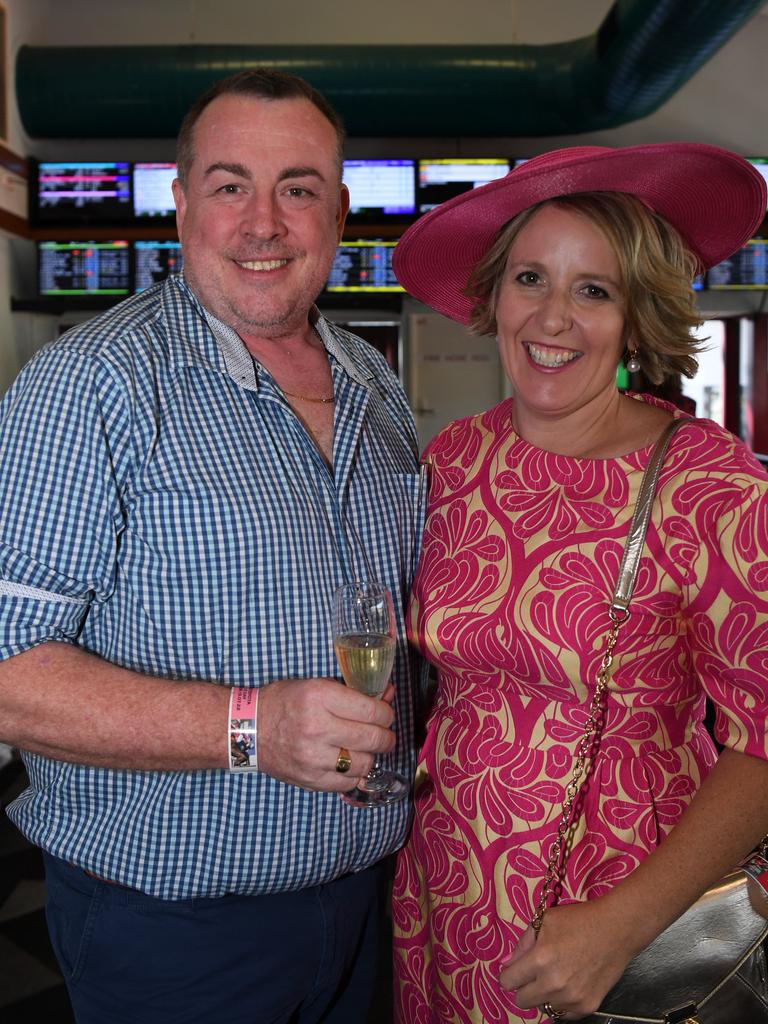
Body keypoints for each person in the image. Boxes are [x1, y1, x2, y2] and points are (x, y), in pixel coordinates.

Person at [0, 70, 425, 1024]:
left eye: (299, 188)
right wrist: (252, 728)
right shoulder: (87, 389)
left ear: (341, 211)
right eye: (231, 185)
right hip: (172, 936)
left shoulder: (374, 381)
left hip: (370, 901)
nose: (264, 222)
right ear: (183, 201)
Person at [390, 143, 768, 1023]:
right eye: (531, 278)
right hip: (443, 889)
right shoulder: (456, 459)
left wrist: (624, 925)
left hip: (617, 909)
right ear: (494, 296)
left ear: (636, 318)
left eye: (593, 290)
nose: (553, 317)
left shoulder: (713, 485)